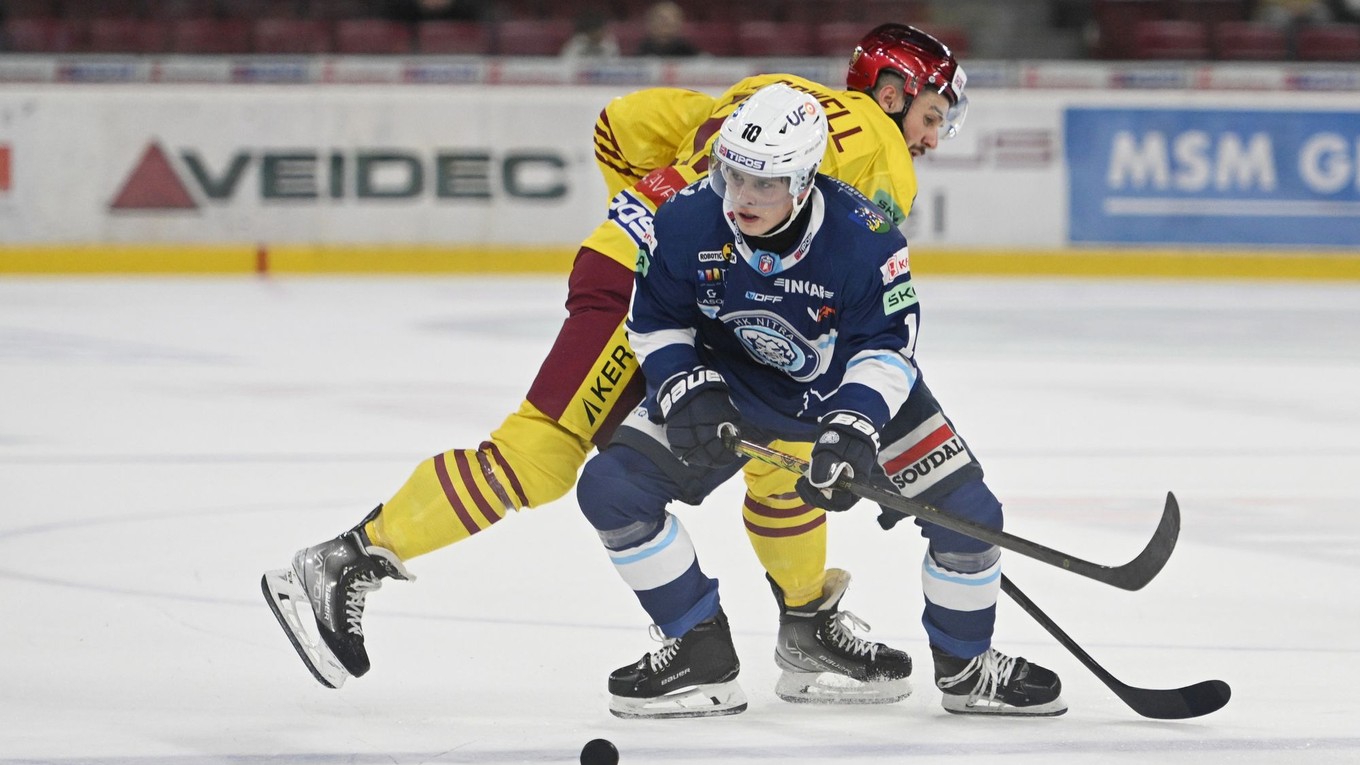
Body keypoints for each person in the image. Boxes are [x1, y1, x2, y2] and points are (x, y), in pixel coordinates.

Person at [261, 24, 964, 703]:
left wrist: (640, 214)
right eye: (931, 115)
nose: (931, 139)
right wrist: (866, 431)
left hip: (648, 267)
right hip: (654, 288)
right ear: (894, 91)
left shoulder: (769, 93)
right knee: (539, 456)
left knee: (782, 447)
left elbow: (622, 124)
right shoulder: (881, 156)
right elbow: (852, 291)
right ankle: (343, 558)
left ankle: (807, 621)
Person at [576, 82, 1065, 720]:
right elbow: (656, 319)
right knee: (611, 489)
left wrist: (853, 430)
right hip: (736, 384)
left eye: (766, 184)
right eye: (733, 175)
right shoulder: (688, 217)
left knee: (969, 514)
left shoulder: (866, 239)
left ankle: (968, 669)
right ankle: (700, 654)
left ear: (806, 180)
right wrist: (683, 384)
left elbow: (888, 350)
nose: (742, 198)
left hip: (846, 387)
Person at [635, 1, 700, 56]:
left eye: (671, 18)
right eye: (661, 18)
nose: (665, 22)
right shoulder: (641, 52)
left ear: (679, 23)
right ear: (650, 22)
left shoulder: (689, 52)